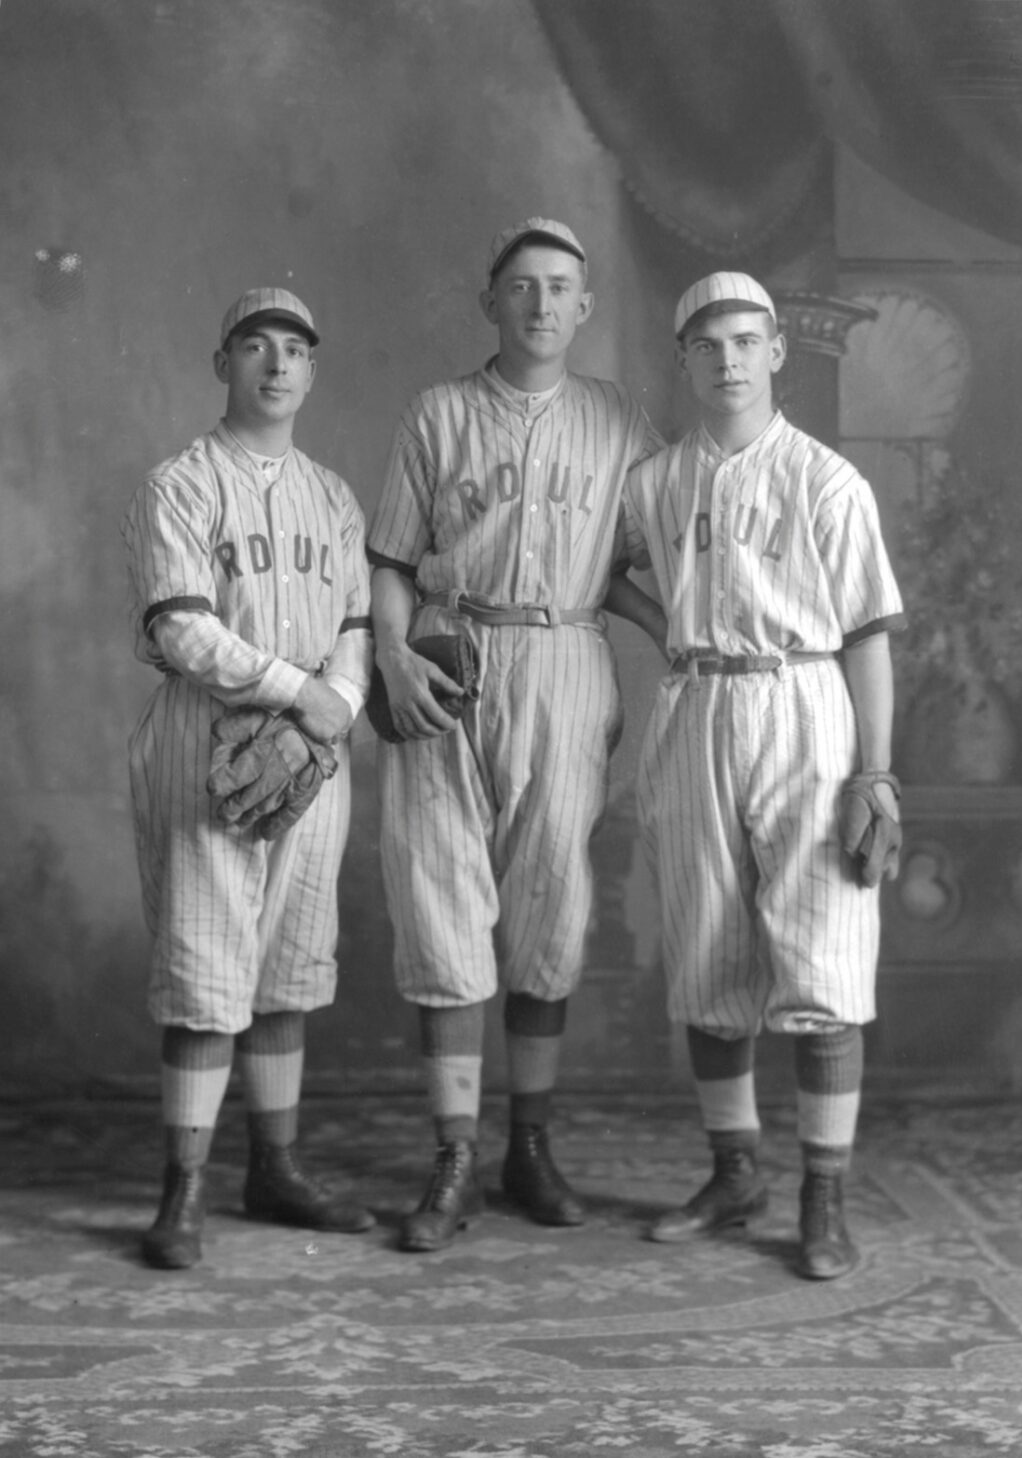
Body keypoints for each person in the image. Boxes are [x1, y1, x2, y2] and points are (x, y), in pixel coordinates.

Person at [367, 218, 663, 1252]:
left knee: (550, 905)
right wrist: (392, 659)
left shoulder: (618, 419)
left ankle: (527, 1146)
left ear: (585, 308)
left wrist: (673, 635)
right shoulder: (440, 413)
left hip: (564, 662)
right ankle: (452, 1157)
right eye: (522, 285)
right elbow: (393, 559)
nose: (541, 304)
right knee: (442, 902)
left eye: (561, 287)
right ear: (489, 301)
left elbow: (630, 560)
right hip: (450, 656)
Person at [621, 271, 905, 1280]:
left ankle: (822, 1197)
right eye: (708, 345)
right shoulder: (654, 483)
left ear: (778, 350)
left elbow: (868, 635)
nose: (728, 360)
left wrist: (873, 772)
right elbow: (601, 568)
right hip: (698, 705)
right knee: (708, 952)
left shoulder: (827, 481)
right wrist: (671, 631)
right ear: (685, 359)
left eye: (746, 341)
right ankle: (734, 1172)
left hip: (803, 706)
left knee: (822, 956)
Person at [122, 287, 375, 1270]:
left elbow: (355, 635)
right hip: (209, 736)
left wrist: (335, 715)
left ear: (312, 371)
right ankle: (179, 1195)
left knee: (287, 970)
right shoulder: (179, 485)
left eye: (296, 350)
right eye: (256, 347)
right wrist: (295, 695)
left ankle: (274, 1168)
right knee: (205, 969)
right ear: (221, 362)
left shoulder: (334, 496)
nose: (277, 365)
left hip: (315, 750)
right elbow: (178, 627)